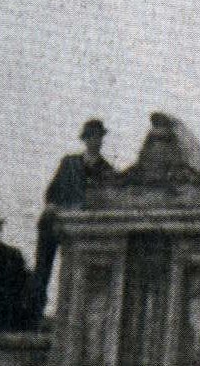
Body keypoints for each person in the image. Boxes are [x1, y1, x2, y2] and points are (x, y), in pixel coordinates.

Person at [32, 118, 116, 321]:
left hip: (83, 228)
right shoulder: (69, 163)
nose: (94, 141)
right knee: (43, 266)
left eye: (98, 137)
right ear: (85, 139)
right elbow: (51, 193)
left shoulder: (107, 171)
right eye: (91, 136)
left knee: (76, 270)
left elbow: (106, 201)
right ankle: (34, 311)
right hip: (61, 221)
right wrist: (55, 207)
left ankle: (68, 313)